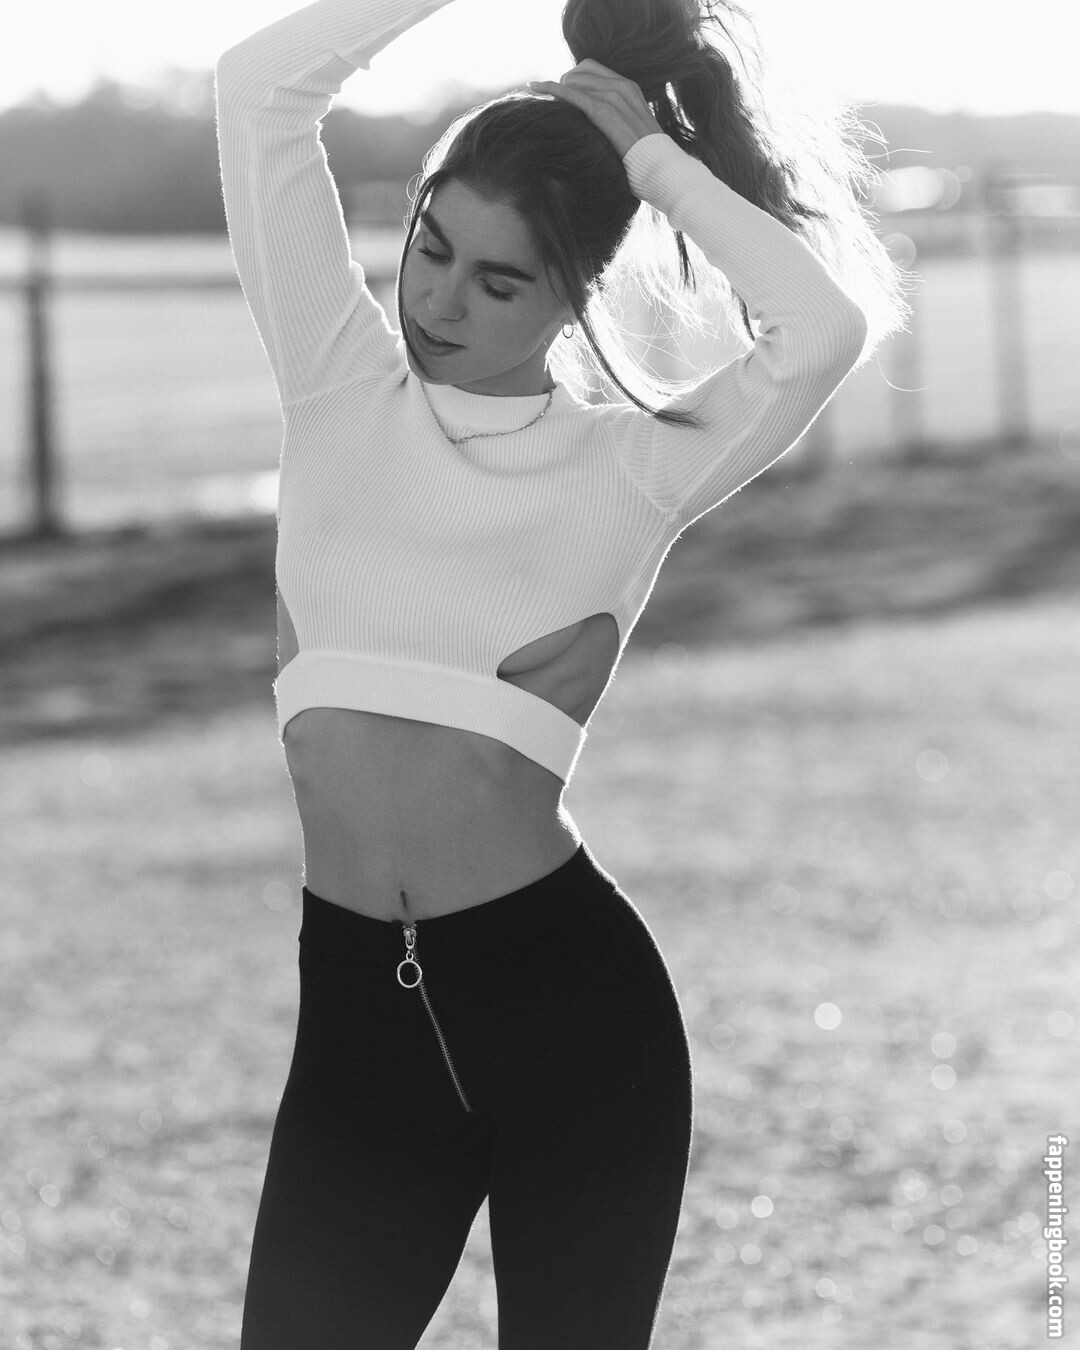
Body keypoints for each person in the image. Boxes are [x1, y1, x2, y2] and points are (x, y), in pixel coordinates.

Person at [214, 0, 909, 1344]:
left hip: (576, 1028)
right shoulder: (336, 385)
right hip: (357, 1020)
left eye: (499, 282)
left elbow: (821, 332)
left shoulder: (628, 471)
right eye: (433, 247)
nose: (439, 300)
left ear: (574, 295)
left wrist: (653, 162)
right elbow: (259, 88)